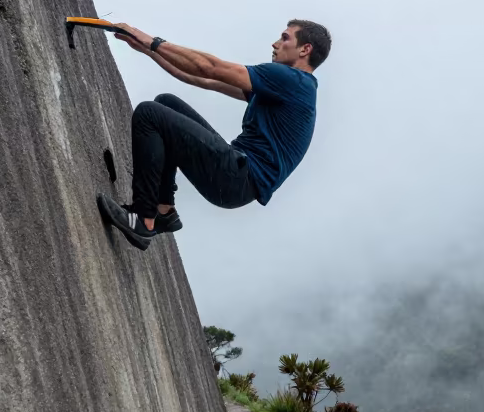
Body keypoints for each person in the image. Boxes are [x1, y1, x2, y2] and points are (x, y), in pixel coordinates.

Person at [96, 19, 331, 250]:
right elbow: (205, 79)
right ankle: (163, 210)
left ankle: (143, 219)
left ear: (305, 49)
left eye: (285, 37)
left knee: (149, 113)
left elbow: (210, 67)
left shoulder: (293, 80)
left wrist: (153, 41)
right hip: (237, 177)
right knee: (165, 104)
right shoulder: (288, 87)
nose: (275, 43)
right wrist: (149, 50)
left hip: (238, 178)